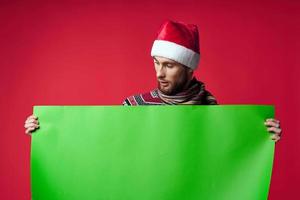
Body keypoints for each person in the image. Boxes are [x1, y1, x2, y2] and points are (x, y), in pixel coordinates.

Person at [24, 20, 282, 141]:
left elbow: (227, 154)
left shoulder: (210, 107)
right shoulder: (134, 106)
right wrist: (47, 130)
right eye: (156, 63)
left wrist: (261, 136)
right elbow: (102, 143)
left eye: (169, 65)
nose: (159, 73)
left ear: (190, 69)